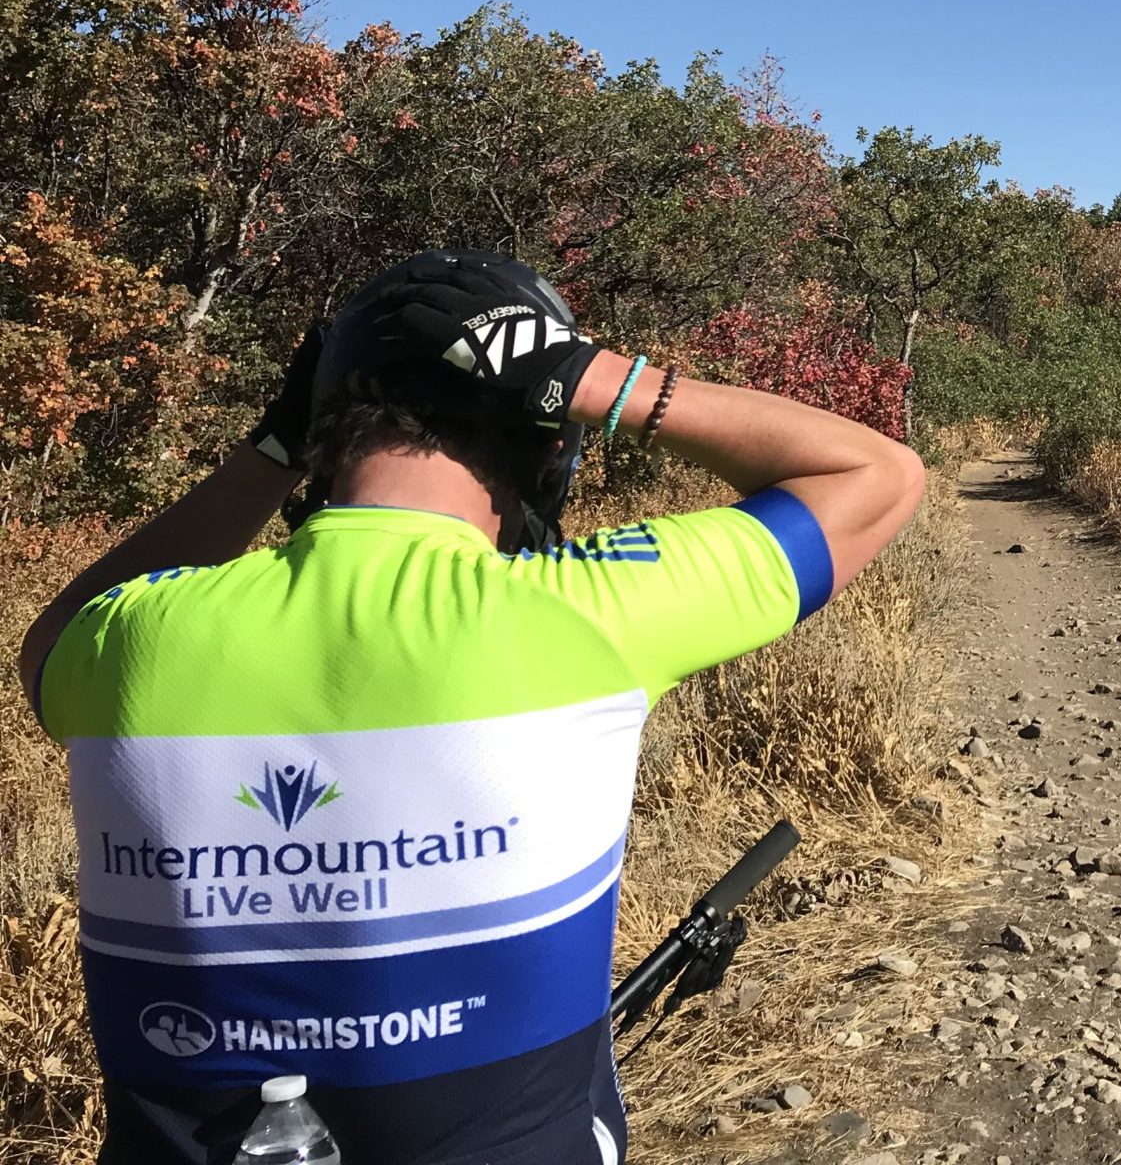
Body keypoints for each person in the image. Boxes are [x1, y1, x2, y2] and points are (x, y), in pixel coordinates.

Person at [15, 251, 927, 1165]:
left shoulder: (126, 639)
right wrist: (595, 377)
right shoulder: (580, 618)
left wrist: (270, 454)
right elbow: (877, 476)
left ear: (324, 434)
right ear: (548, 439)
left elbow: (46, 643)